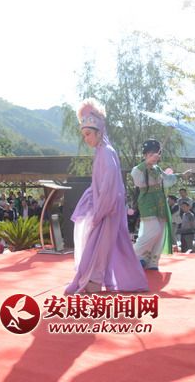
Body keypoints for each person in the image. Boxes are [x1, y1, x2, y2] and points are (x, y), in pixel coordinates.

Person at [65, 99, 148, 294]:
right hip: (106, 205)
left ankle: (94, 281)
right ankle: (99, 280)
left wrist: (100, 209)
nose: (86, 139)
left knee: (100, 245)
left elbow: (110, 184)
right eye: (84, 135)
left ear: (99, 131)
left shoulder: (106, 152)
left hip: (107, 207)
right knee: (107, 244)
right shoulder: (103, 151)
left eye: (88, 134)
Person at [131, 139, 191, 270]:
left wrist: (181, 175)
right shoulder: (139, 169)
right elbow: (137, 180)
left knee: (160, 232)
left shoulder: (157, 169)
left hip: (161, 204)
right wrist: (146, 163)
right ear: (144, 155)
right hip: (148, 203)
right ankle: (135, 256)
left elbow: (168, 180)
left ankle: (152, 261)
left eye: (156, 154)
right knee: (153, 230)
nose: (154, 157)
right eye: (150, 154)